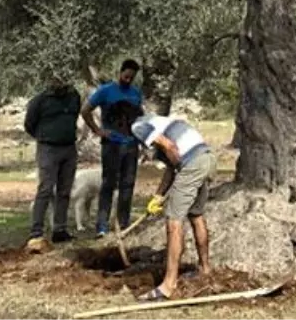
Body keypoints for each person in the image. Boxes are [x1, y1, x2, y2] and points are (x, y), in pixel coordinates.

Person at [130, 113, 217, 302]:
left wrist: (182, 168)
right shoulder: (165, 122)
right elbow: (171, 168)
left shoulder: (137, 127)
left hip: (192, 163)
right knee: (196, 215)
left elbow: (169, 147)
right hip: (207, 158)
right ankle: (205, 269)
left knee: (173, 221)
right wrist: (158, 196)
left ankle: (168, 285)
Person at [79, 59, 144, 237]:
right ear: (120, 72)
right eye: (126, 76)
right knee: (108, 184)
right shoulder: (105, 91)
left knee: (128, 184)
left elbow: (140, 118)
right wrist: (97, 130)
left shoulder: (136, 94)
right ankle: (102, 226)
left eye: (132, 77)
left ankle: (123, 225)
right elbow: (85, 110)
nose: (128, 79)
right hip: (112, 145)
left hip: (131, 145)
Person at [23, 75, 82, 247]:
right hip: (48, 148)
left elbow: (74, 116)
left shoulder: (74, 96)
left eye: (64, 78)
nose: (60, 82)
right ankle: (36, 232)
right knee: (46, 189)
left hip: (69, 147)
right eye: (56, 78)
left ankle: (60, 230)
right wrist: (45, 136)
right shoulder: (40, 101)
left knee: (64, 191)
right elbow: (29, 125)